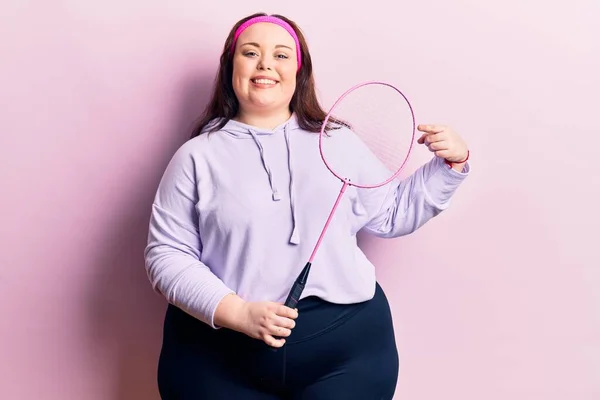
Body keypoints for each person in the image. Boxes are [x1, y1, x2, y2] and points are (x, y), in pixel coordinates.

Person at [144, 12, 470, 400]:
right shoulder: (196, 157)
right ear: (231, 65)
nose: (265, 63)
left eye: (281, 55)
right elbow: (166, 255)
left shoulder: (338, 142)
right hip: (219, 355)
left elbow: (392, 213)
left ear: (299, 71)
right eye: (251, 52)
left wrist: (451, 165)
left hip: (345, 354)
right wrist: (237, 313)